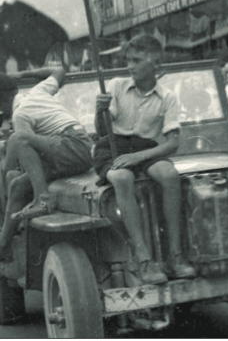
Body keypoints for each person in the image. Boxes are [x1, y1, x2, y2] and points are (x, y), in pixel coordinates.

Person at [94, 34, 195, 284]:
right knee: (121, 176)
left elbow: (172, 143)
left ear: (156, 64)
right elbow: (102, 131)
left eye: (137, 60)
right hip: (112, 147)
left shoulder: (168, 97)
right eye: (128, 60)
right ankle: (144, 259)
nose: (130, 66)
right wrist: (100, 110)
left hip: (144, 148)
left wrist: (136, 156)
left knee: (170, 175)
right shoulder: (117, 86)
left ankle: (175, 256)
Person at [0, 67, 93, 262]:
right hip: (73, 149)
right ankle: (3, 245)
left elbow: (25, 156)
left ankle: (43, 200)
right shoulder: (39, 90)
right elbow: (59, 71)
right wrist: (22, 75)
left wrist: (9, 167)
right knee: (17, 186)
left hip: (72, 145)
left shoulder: (20, 115)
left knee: (20, 140)